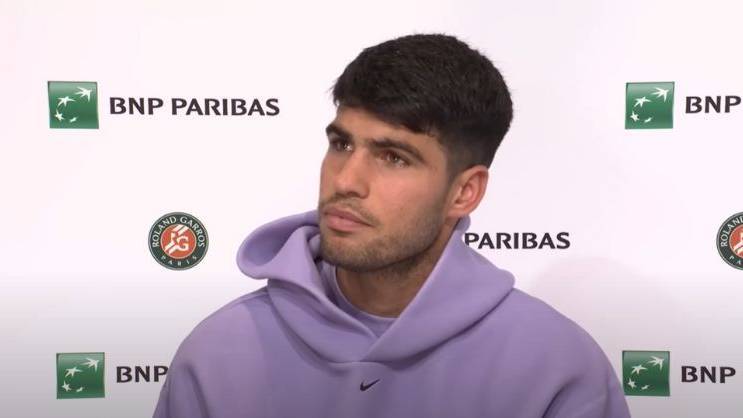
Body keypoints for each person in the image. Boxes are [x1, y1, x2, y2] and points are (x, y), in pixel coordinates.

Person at [152, 33, 631, 418]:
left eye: (393, 157)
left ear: (464, 192)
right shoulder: (218, 353)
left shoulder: (557, 367)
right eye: (341, 144)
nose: (346, 180)